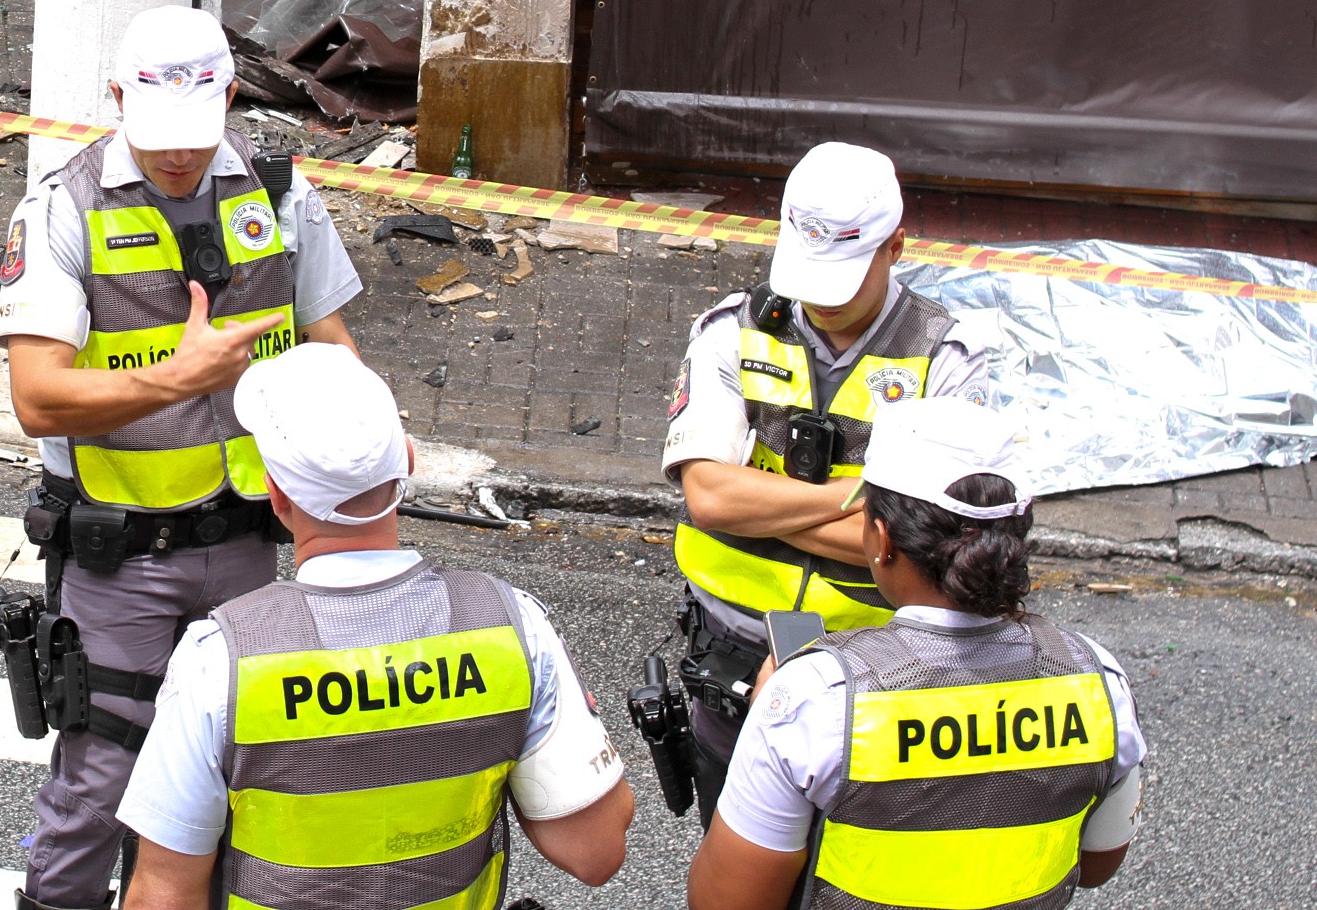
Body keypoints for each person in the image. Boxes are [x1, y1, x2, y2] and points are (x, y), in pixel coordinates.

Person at [0, 5, 365, 910]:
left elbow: (331, 342)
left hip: (250, 549)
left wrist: (365, 431)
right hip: (121, 556)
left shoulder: (276, 195)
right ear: (115, 97)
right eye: (156, 135)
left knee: (239, 785)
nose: (177, 158)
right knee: (97, 789)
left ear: (232, 97)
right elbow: (36, 395)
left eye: (195, 138)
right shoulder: (64, 206)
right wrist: (175, 378)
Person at [119, 343, 634, 910]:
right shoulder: (514, 628)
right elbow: (595, 851)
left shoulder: (221, 660)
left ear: (277, 495)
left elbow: (163, 895)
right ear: (408, 461)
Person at [688, 397, 1147, 910]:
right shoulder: (1099, 680)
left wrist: (765, 716)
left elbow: (725, 903)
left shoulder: (810, 702)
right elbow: (1099, 864)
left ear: (881, 540)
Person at [663, 141, 997, 824]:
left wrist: (757, 503)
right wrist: (864, 502)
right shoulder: (733, 330)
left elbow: (936, 540)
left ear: (895, 246)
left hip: (883, 664)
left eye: (840, 277)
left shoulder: (948, 359)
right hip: (732, 651)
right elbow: (709, 498)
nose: (819, 299)